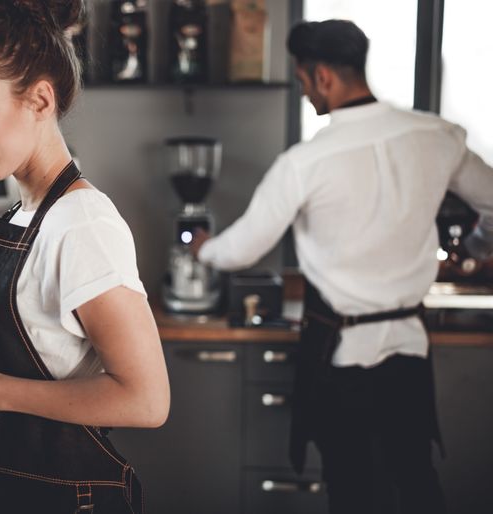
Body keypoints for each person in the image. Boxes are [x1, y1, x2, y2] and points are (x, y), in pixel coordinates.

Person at [191, 19, 493, 514]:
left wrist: (204, 248)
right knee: (417, 483)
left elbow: (241, 249)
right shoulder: (436, 137)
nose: (305, 93)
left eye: (303, 81)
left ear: (323, 77)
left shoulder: (305, 163)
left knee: (353, 492)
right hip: (409, 353)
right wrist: (478, 250)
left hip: (341, 359)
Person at [0, 1, 170, 513]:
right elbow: (51, 351)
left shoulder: (81, 223)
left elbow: (146, 399)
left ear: (40, 100)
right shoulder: (25, 213)